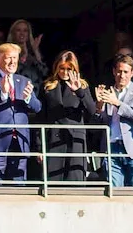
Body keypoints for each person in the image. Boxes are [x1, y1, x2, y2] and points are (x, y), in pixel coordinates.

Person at [0, 43, 43, 183]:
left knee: (19, 183)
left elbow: (37, 108)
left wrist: (28, 98)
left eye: (15, 58)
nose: (13, 62)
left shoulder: (24, 81)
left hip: (20, 140)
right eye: (8, 58)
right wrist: (3, 93)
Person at [94, 52, 133, 188]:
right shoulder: (107, 92)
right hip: (112, 147)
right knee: (114, 192)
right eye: (119, 71)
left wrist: (117, 103)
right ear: (114, 72)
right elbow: (98, 122)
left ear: (132, 73)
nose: (122, 75)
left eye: (126, 72)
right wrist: (99, 106)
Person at [40, 50, 98, 184]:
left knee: (75, 180)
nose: (65, 72)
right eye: (62, 68)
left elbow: (92, 110)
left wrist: (79, 92)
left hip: (75, 139)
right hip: (53, 139)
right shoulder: (48, 86)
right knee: (53, 182)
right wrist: (39, 148)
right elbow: (41, 117)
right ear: (56, 67)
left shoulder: (82, 85)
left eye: (69, 69)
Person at [8, 19, 47, 84]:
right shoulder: (8, 52)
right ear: (13, 33)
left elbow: (44, 73)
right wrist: (24, 57)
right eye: (18, 30)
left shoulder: (33, 53)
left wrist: (36, 51)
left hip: (34, 91)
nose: (22, 33)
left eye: (25, 30)